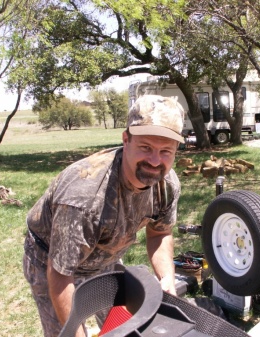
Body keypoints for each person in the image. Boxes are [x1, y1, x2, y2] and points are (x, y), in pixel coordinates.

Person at [23, 95, 185, 337]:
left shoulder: (167, 185)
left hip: (105, 260)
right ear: (126, 139)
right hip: (51, 261)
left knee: (123, 329)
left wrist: (167, 279)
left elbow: (160, 233)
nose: (154, 160)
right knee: (67, 334)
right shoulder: (83, 196)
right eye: (146, 147)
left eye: (165, 151)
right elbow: (60, 273)